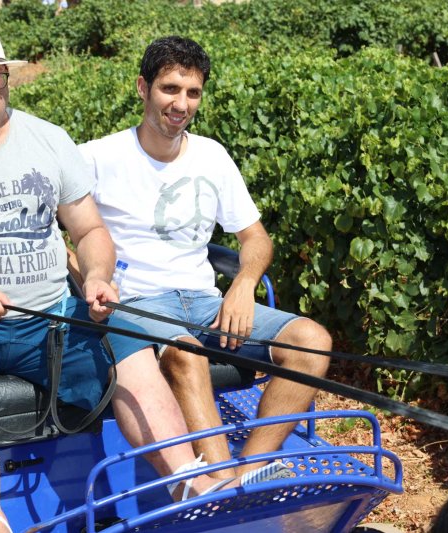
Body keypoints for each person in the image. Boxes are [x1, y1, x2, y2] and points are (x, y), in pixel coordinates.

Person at [0, 19, 290, 533]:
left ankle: (186, 482)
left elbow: (89, 229)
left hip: (49, 313)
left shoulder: (47, 140)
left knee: (127, 347)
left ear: (6, 78)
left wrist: (96, 275)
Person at [79, 36, 332, 477]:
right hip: (138, 304)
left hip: (205, 301)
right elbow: (60, 236)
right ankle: (221, 487)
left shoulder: (213, 156)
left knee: (312, 341)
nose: (181, 104)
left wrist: (242, 286)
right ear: (143, 88)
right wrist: (91, 278)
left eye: (192, 92)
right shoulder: (98, 157)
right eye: (170, 89)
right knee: (187, 352)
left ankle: (250, 470)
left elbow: (256, 240)